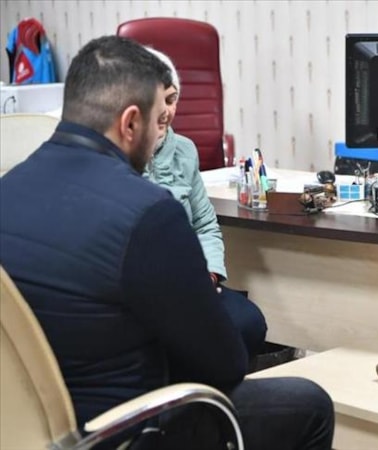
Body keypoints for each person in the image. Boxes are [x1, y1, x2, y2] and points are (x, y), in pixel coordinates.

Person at [0, 36, 333, 449]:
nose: (164, 130)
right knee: (310, 404)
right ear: (130, 123)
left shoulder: (8, 188)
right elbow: (225, 365)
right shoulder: (148, 213)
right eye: (159, 119)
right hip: (119, 431)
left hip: (25, 430)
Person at [143, 47, 267, 360]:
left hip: (191, 282)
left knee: (249, 322)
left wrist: (209, 274)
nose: (167, 111)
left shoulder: (184, 150)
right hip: (148, 289)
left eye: (172, 99)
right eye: (159, 100)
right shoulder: (117, 155)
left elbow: (204, 224)